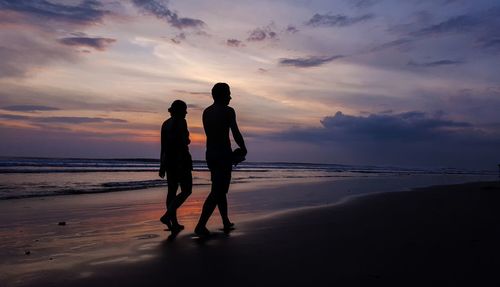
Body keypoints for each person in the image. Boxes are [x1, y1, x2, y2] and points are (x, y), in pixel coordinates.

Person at [195, 83, 247, 236]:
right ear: (222, 95)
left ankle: (225, 220)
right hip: (223, 154)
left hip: (210, 154)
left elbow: (211, 134)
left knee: (220, 189)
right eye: (228, 94)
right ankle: (200, 225)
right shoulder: (228, 111)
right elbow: (235, 132)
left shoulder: (206, 112)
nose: (230, 97)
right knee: (218, 191)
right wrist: (243, 148)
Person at [159, 100, 193, 234]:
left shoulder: (165, 124)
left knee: (171, 191)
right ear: (179, 110)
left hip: (169, 161)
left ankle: (174, 223)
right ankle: (167, 215)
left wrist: (162, 164)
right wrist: (187, 140)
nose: (186, 112)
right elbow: (183, 141)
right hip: (181, 160)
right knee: (187, 190)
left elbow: (163, 146)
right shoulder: (181, 121)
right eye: (184, 109)